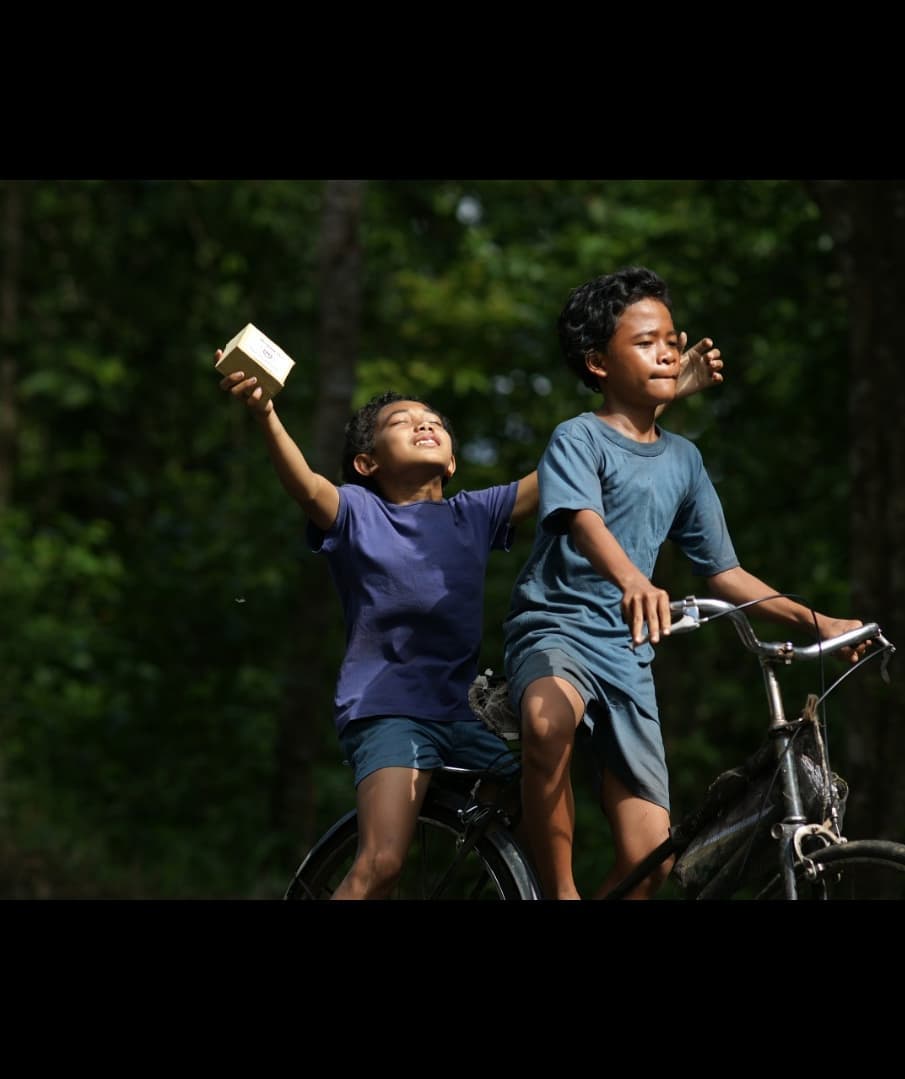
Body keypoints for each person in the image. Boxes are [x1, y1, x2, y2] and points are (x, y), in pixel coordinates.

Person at [216, 327, 723, 899]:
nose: (423, 423)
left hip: (460, 718)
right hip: (389, 713)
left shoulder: (472, 514)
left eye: (433, 420)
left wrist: (658, 395)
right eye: (400, 424)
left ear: (452, 460)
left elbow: (574, 466)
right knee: (383, 862)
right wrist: (265, 415)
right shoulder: (358, 512)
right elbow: (307, 488)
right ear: (365, 462)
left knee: (537, 793)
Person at [501, 266, 870, 901]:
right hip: (558, 629)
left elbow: (724, 572)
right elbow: (582, 518)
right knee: (545, 723)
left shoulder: (684, 460)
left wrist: (818, 621)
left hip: (628, 654)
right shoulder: (577, 437)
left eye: (671, 338)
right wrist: (631, 580)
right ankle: (556, 891)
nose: (667, 350)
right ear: (597, 364)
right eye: (645, 342)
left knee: (654, 865)